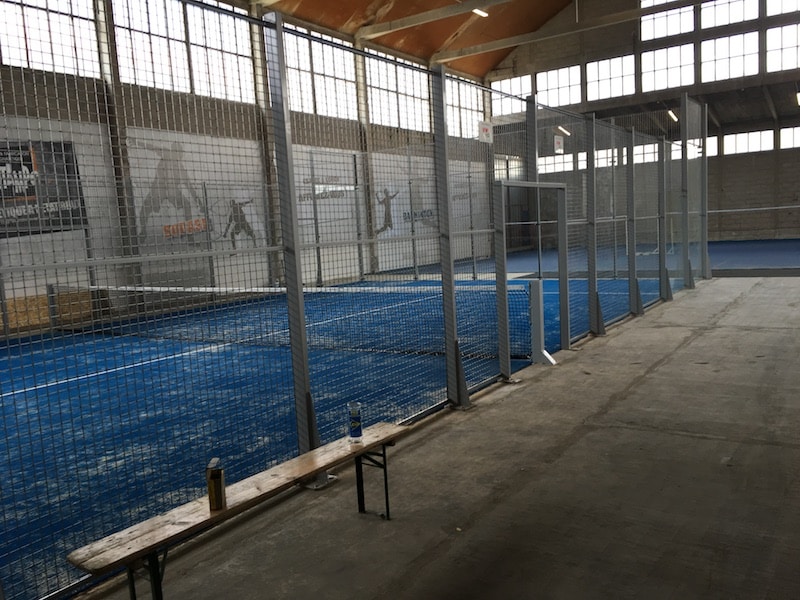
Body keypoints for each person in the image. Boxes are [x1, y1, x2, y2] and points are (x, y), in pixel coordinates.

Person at [136, 141, 202, 233]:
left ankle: (189, 233)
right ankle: (143, 231)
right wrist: (137, 143)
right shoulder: (168, 155)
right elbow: (152, 147)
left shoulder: (179, 166)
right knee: (145, 208)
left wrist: (199, 202)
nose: (181, 155)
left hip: (169, 190)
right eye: (179, 152)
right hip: (160, 189)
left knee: (186, 205)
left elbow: (189, 185)